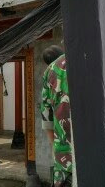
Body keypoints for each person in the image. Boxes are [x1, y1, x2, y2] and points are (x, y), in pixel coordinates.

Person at [41, 47, 74, 187]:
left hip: (64, 155)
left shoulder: (49, 71)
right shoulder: (92, 57)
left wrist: (55, 148)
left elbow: (46, 117)